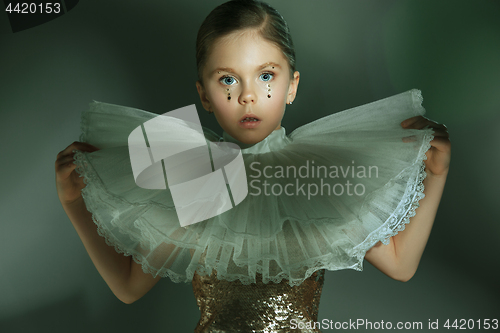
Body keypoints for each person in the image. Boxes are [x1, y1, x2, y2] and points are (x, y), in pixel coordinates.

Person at [55, 0, 451, 332]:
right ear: (204, 95)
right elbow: (128, 286)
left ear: (291, 86)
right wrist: (74, 203)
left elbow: (400, 264)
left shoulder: (317, 175)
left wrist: (437, 173)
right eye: (228, 79)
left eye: (265, 76)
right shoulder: (200, 176)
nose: (247, 96)